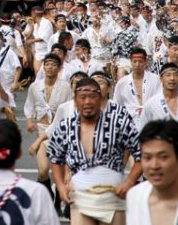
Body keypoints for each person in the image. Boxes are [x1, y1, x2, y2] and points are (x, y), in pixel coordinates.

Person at [47, 77, 142, 225]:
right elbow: (55, 158)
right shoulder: (66, 126)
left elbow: (141, 154)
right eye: (82, 97)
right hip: (80, 196)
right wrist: (60, 186)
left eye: (92, 97)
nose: (87, 102)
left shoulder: (119, 122)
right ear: (75, 101)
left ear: (100, 99)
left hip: (114, 195)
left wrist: (129, 181)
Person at [24, 53, 71, 202]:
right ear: (43, 67)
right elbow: (29, 105)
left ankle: (58, 199)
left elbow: (70, 108)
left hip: (61, 132)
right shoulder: (34, 86)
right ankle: (47, 194)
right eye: (47, 64)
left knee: (62, 172)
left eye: (53, 64)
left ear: (59, 68)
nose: (50, 67)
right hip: (42, 130)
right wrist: (29, 121)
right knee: (43, 170)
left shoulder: (66, 87)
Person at [112, 47, 161, 128]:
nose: (137, 64)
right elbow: (116, 105)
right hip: (129, 123)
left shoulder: (155, 79)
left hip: (151, 121)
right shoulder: (122, 83)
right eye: (134, 61)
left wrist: (147, 109)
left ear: (145, 62)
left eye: (140, 61)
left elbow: (160, 100)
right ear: (130, 62)